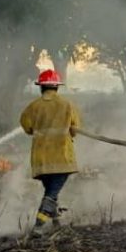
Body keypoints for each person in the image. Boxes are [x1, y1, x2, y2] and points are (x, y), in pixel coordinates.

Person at [20, 68, 81, 233]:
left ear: (41, 87)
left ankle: (56, 223)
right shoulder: (67, 105)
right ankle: (38, 227)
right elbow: (75, 129)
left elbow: (27, 127)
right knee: (51, 193)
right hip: (62, 158)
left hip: (41, 160)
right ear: (57, 87)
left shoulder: (33, 107)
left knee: (51, 191)